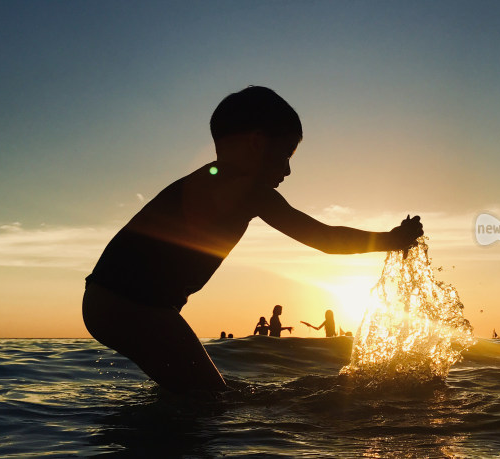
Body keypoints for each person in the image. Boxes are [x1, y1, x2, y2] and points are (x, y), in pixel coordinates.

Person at [82, 86, 423, 394]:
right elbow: (324, 237)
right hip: (132, 305)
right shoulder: (245, 190)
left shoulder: (207, 180)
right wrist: (392, 239)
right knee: (213, 400)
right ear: (257, 143)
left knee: (195, 393)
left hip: (110, 300)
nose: (287, 171)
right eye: (286, 155)